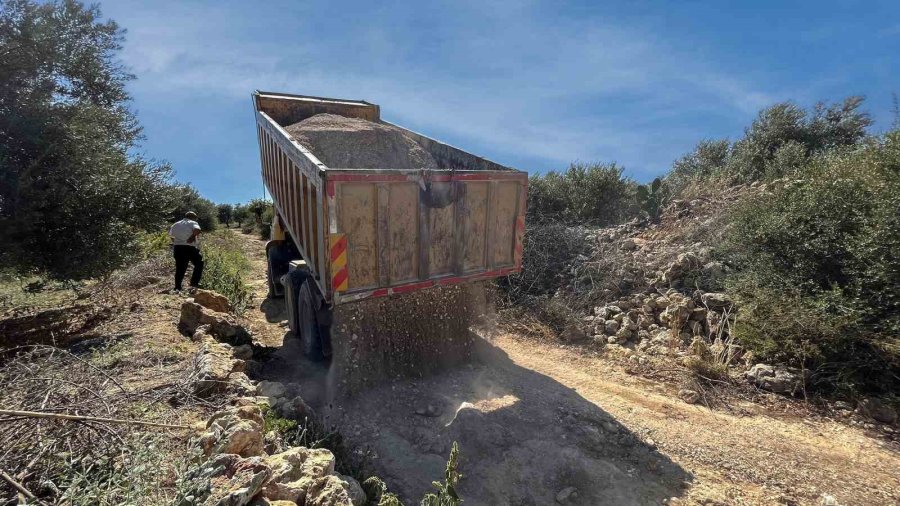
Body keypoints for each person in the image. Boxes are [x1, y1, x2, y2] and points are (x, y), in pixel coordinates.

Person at [169, 211, 204, 291]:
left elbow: (171, 235)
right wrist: (192, 238)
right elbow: (198, 230)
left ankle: (177, 288)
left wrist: (178, 241)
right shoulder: (192, 222)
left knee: (180, 268)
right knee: (199, 263)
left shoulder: (175, 224)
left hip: (177, 248)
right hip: (189, 248)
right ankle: (194, 284)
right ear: (193, 217)